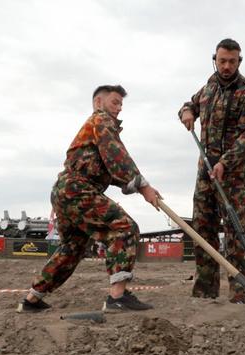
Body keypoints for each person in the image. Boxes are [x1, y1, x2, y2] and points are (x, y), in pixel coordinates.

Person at [17, 85, 162, 313]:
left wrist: (133, 185)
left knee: (72, 247)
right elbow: (117, 155)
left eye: (121, 105)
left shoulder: (94, 129)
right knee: (124, 228)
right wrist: (142, 185)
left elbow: (107, 169)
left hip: (65, 190)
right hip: (77, 188)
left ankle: (31, 299)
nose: (119, 109)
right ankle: (117, 297)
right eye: (115, 102)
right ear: (98, 103)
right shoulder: (100, 120)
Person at [178, 38, 245, 304]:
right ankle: (206, 289)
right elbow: (190, 103)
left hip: (234, 175)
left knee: (237, 233)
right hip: (205, 173)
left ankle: (240, 293)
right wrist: (187, 112)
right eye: (222, 60)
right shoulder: (210, 86)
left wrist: (225, 163)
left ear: (240, 61)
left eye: (232, 61)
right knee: (203, 227)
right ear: (214, 59)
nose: (226, 66)